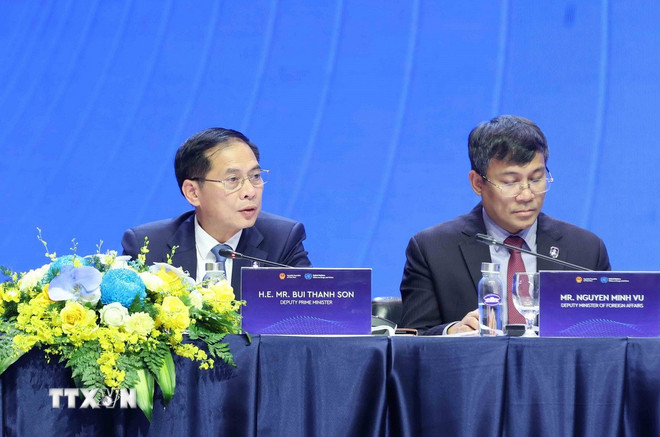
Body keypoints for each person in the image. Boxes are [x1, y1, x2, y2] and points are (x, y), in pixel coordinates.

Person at [399, 115, 610, 335]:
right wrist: (452, 332)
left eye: (536, 179)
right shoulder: (433, 250)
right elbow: (410, 340)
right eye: (510, 182)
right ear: (477, 183)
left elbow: (607, 338)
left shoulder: (585, 250)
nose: (527, 195)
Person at [122, 127, 311, 296]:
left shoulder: (282, 240)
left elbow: (309, 314)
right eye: (233, 179)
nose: (250, 191)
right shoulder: (147, 246)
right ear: (193, 192)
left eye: (255, 176)